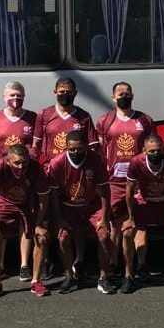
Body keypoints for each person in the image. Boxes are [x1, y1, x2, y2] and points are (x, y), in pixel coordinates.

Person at [32, 77, 98, 280]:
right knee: (47, 217)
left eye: (69, 91)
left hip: (76, 174)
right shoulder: (44, 115)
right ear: (55, 92)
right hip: (52, 174)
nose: (65, 94)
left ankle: (79, 261)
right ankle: (46, 260)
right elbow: (36, 146)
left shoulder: (83, 117)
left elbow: (93, 146)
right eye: (61, 91)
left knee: (75, 219)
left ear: (75, 93)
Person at [95, 82, 155, 277]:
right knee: (115, 224)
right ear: (113, 97)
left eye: (127, 93)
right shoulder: (105, 120)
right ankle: (113, 262)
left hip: (139, 180)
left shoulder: (144, 120)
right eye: (120, 94)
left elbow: (150, 147)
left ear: (132, 95)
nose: (124, 96)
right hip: (114, 181)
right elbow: (101, 150)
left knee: (139, 223)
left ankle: (142, 264)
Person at [46, 130, 116, 295]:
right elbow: (54, 195)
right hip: (67, 206)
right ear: (66, 147)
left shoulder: (96, 160)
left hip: (92, 205)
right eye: (72, 149)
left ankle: (104, 277)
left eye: (79, 148)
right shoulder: (57, 163)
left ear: (86, 146)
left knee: (104, 235)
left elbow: (105, 192)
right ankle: (70, 276)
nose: (76, 152)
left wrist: (104, 218)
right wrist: (59, 218)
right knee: (63, 237)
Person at [121, 134, 164, 294]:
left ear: (163, 149)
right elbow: (129, 190)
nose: (155, 154)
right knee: (127, 232)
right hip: (145, 201)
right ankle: (131, 273)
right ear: (144, 150)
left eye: (158, 150)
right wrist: (130, 217)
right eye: (151, 151)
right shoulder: (136, 162)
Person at [0, 144, 51, 299]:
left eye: (24, 163)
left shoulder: (35, 168)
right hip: (3, 201)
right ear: (8, 160)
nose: (21, 167)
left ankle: (36, 281)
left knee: (41, 237)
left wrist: (39, 224)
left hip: (27, 203)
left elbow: (43, 198)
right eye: (17, 163)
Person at [0, 81, 38, 282]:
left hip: (25, 176)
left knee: (25, 221)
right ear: (4, 97)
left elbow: (37, 146)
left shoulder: (32, 118)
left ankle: (24, 265)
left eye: (19, 95)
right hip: (4, 177)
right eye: (11, 95)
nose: (15, 99)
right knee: (0, 222)